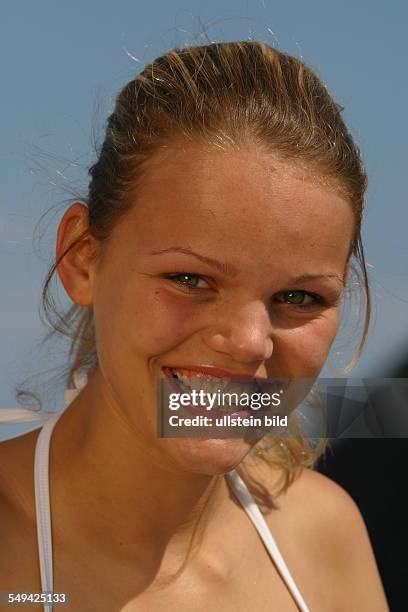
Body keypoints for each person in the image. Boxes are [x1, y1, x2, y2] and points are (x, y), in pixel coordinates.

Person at [0, 41, 389, 611]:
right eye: (190, 279)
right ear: (82, 258)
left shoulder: (322, 536)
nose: (250, 341)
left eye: (299, 296)